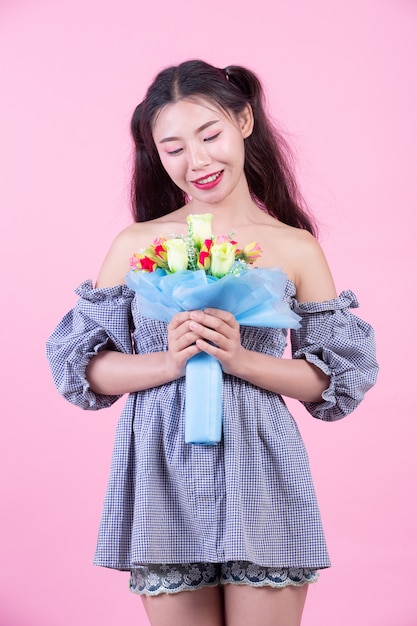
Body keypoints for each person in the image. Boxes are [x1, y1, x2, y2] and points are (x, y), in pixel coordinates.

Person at [46, 60, 378, 626]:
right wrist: (170, 360)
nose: (196, 161)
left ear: (244, 120)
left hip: (263, 467)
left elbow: (331, 381)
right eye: (172, 148)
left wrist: (240, 358)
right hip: (161, 469)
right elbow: (83, 371)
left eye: (209, 135)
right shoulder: (137, 242)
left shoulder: (294, 247)